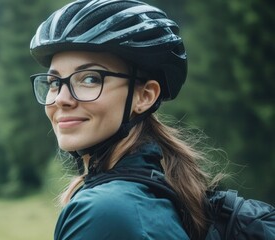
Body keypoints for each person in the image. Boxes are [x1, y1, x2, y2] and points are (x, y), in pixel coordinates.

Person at [29, 0, 221, 239]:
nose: (61, 99)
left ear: (145, 96)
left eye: (90, 79)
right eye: (54, 82)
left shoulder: (105, 213)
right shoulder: (155, 193)